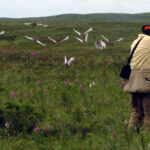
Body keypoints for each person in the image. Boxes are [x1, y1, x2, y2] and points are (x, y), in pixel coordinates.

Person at [124, 24, 150, 132]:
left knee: (136, 111)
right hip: (146, 79)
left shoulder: (135, 42)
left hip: (133, 79)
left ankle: (130, 136)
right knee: (149, 112)